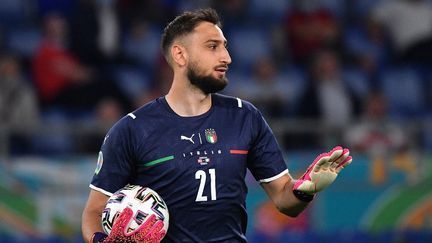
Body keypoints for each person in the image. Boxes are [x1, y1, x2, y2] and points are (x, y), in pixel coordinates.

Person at [81, 8, 352, 242]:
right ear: (180, 54)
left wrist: (306, 188)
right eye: (213, 46)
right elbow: (94, 211)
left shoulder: (245, 117)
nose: (226, 57)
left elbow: (284, 200)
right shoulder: (132, 129)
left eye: (225, 46)